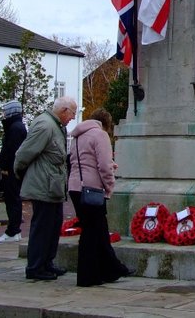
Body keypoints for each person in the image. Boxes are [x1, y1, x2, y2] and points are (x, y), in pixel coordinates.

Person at [68, 107, 133, 287]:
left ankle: (110, 269)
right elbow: (104, 166)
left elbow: (78, 160)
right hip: (92, 189)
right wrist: (110, 186)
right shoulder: (100, 135)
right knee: (92, 232)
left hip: (75, 186)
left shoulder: (77, 136)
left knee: (97, 230)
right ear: (106, 123)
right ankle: (88, 276)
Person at [14, 96, 77, 281]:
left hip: (53, 187)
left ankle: (47, 263)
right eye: (72, 114)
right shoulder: (45, 125)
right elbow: (24, 153)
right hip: (43, 186)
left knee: (52, 226)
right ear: (64, 110)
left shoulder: (56, 126)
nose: (72, 118)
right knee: (42, 227)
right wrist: (19, 172)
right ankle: (35, 267)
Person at [0, 100, 27, 243]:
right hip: (12, 170)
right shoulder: (16, 127)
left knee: (12, 199)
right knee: (12, 199)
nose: (3, 114)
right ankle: (13, 230)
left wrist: (6, 168)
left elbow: (12, 151)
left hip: (11, 171)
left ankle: (13, 231)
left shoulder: (15, 128)